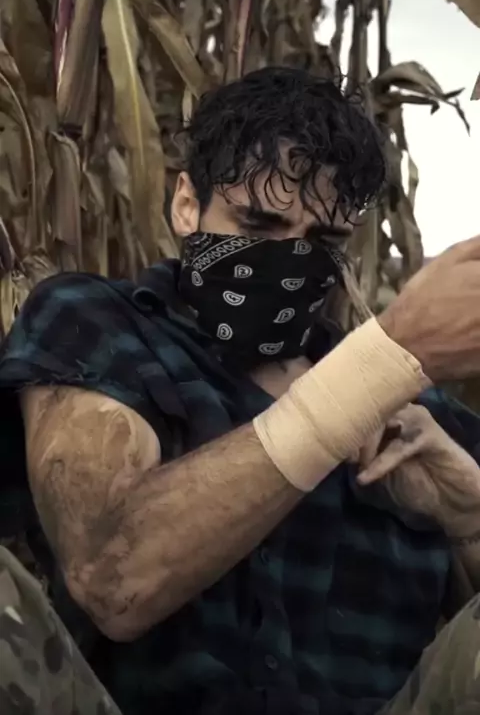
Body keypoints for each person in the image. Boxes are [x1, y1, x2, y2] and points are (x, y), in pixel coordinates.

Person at [2, 67, 480, 715]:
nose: (290, 257)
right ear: (186, 204)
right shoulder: (100, 328)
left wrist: (469, 514)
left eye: (323, 241)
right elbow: (112, 578)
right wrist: (370, 374)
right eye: (257, 223)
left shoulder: (419, 417)